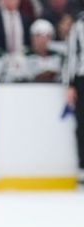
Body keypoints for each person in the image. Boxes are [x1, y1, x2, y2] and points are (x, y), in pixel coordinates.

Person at [68, 12, 84, 187]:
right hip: (82, 78)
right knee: (82, 125)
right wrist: (70, 83)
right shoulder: (79, 24)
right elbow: (72, 55)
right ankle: (82, 166)